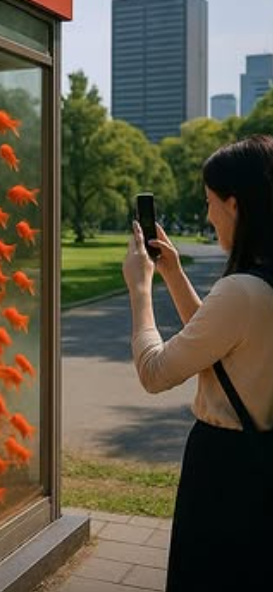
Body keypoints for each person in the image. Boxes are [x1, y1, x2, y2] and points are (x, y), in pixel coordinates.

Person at [122, 134, 273, 591]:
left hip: (226, 471)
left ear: (235, 205)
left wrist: (140, 290)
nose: (207, 216)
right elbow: (220, 345)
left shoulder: (241, 292)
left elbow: (155, 371)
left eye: (210, 202)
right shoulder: (258, 287)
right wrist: (172, 272)